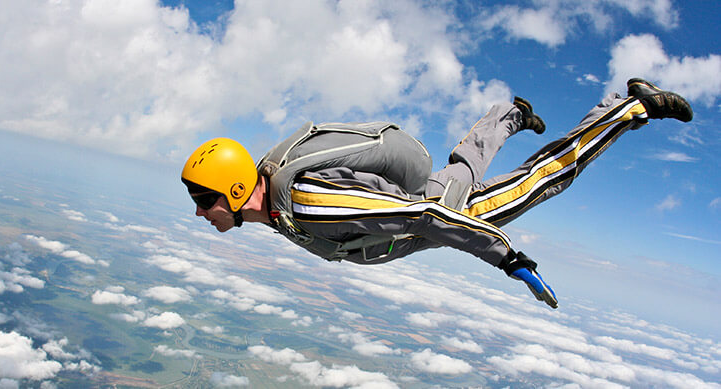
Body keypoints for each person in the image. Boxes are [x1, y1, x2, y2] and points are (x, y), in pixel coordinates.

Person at [180, 78, 693, 309]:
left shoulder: (310, 203)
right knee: (463, 168)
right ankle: (509, 114)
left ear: (237, 187)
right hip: (419, 215)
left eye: (205, 200)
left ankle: (629, 108)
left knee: (540, 183)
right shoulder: (277, 199)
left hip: (432, 218)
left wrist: (506, 257)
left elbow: (423, 214)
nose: (202, 212)